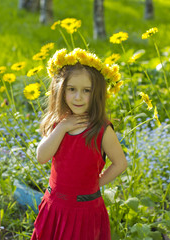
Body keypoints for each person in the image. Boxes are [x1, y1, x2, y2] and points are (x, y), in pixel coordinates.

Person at [31, 48, 128, 240]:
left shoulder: (101, 130)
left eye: (86, 91)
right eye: (72, 89)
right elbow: (41, 157)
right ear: (60, 90)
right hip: (54, 207)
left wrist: (96, 184)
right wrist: (62, 127)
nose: (78, 97)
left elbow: (120, 163)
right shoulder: (58, 123)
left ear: (97, 93)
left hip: (85, 210)